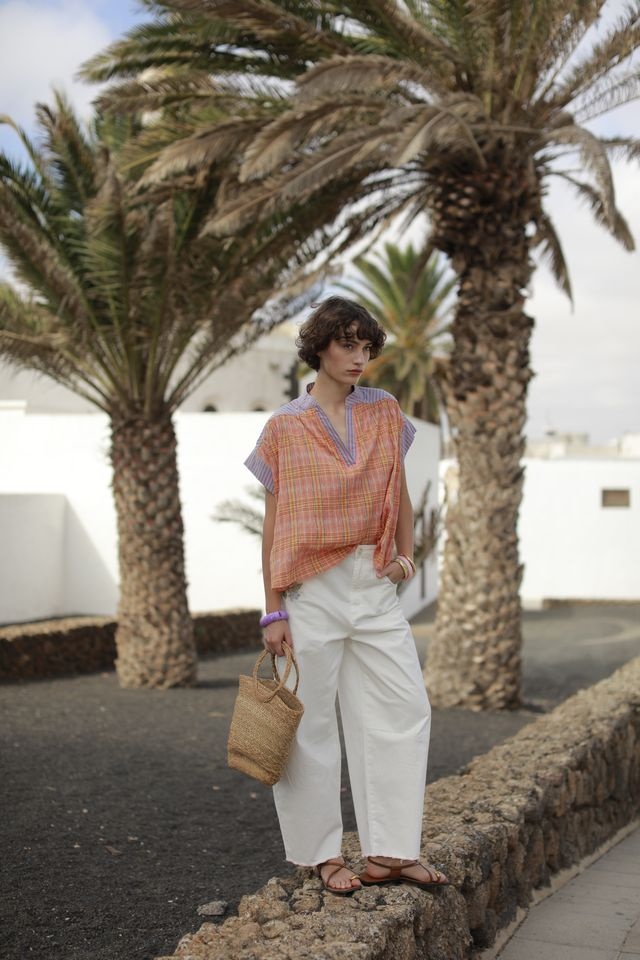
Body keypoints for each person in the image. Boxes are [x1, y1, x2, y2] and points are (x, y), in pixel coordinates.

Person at [244, 296, 448, 895]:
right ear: (319, 347)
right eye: (346, 344)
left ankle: (391, 852)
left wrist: (406, 557)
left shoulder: (385, 410)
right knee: (308, 725)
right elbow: (275, 522)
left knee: (404, 709)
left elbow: (398, 490)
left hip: (374, 582)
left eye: (366, 346)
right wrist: (273, 608)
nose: (359, 357)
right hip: (311, 590)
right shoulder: (284, 426)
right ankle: (322, 855)